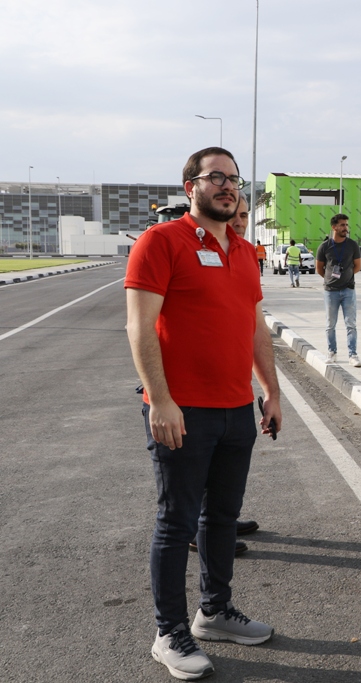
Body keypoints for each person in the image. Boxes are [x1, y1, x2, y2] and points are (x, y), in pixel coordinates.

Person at [125, 147, 281, 680]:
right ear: (190, 186)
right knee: (177, 522)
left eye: (234, 178)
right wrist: (160, 399)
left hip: (237, 408)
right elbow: (140, 326)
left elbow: (255, 327)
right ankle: (169, 632)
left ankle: (214, 611)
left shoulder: (244, 250)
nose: (228, 186)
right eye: (216, 177)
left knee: (221, 519)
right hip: (183, 409)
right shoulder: (160, 241)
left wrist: (271, 391)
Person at [316, 214, 361, 366]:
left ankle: (353, 355)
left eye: (346, 225)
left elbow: (357, 266)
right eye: (342, 225)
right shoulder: (324, 247)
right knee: (330, 324)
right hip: (330, 291)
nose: (345, 228)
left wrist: (345, 277)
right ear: (334, 227)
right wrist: (331, 279)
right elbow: (319, 268)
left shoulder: (352, 245)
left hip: (348, 290)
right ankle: (332, 352)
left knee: (351, 324)